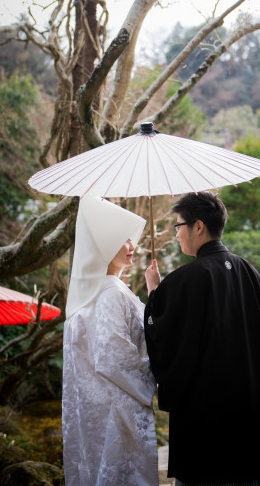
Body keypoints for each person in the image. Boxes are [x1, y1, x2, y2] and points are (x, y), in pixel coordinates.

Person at [144, 191, 260, 486]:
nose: (177, 234)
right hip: (248, 424)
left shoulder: (184, 280)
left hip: (205, 427)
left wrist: (155, 293)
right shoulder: (250, 272)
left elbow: (164, 341)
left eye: (178, 226)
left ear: (198, 226)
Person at [62, 196, 158, 486]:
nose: (133, 247)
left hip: (94, 411)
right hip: (119, 411)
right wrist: (157, 371)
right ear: (104, 244)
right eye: (125, 240)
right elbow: (114, 355)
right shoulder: (112, 293)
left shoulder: (84, 297)